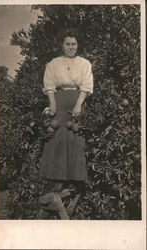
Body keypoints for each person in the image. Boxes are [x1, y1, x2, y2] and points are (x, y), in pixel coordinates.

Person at [39, 28, 93, 192]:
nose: (71, 47)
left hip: (77, 100)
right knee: (58, 138)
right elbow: (49, 85)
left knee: (76, 139)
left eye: (74, 44)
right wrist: (52, 104)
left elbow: (86, 86)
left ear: (78, 45)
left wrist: (78, 104)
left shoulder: (84, 63)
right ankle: (58, 180)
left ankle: (76, 181)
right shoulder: (53, 63)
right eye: (67, 44)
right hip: (59, 101)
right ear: (62, 46)